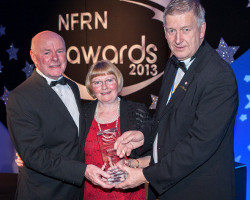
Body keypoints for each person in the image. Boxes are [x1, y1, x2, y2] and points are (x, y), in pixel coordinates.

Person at [114, 0, 239, 199]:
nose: (178, 39)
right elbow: (165, 120)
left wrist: (143, 175)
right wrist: (144, 136)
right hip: (168, 190)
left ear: (202, 29)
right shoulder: (173, 64)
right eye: (171, 30)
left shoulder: (218, 77)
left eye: (186, 29)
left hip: (200, 191)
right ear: (164, 31)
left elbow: (197, 146)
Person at [7, 30, 112, 200]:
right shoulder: (20, 97)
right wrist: (82, 171)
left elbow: (75, 137)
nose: (55, 58)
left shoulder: (72, 86)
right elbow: (34, 154)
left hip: (78, 191)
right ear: (34, 57)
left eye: (60, 51)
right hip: (44, 193)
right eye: (47, 52)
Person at [82, 60, 151, 199]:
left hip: (129, 193)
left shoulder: (137, 111)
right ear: (91, 87)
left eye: (109, 80)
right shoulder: (82, 115)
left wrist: (131, 163)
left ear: (118, 82)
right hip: (93, 193)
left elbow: (153, 155)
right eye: (97, 82)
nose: (104, 87)